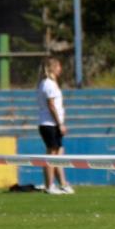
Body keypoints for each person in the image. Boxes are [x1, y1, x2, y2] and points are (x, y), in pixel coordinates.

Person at [36, 57, 73, 195]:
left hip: (52, 124)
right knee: (51, 155)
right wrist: (60, 123)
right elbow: (51, 105)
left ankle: (62, 184)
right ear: (52, 68)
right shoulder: (48, 84)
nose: (60, 69)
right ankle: (49, 185)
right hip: (49, 124)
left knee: (58, 154)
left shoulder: (50, 83)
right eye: (58, 66)